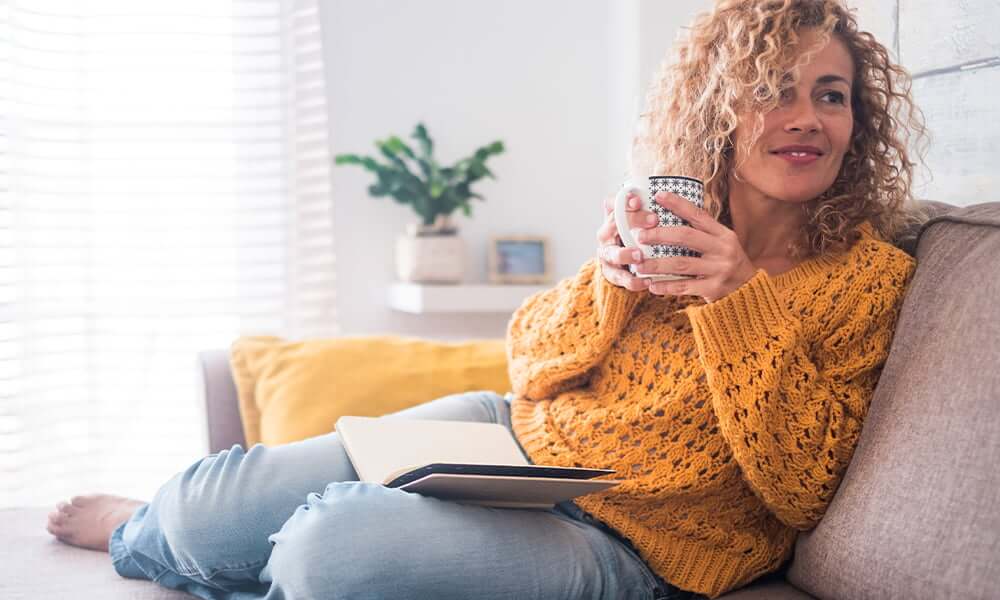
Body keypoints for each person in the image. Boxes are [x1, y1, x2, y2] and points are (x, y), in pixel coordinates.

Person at [45, 1, 928, 598]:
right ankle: (146, 530)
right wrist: (605, 281)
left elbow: (805, 487)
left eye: (831, 96)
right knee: (208, 501)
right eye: (774, 90)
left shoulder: (868, 278)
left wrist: (736, 299)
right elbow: (534, 365)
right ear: (719, 111)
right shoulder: (670, 220)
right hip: (506, 436)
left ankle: (231, 552)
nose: (807, 116)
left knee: (331, 546)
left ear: (859, 125)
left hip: (636, 540)